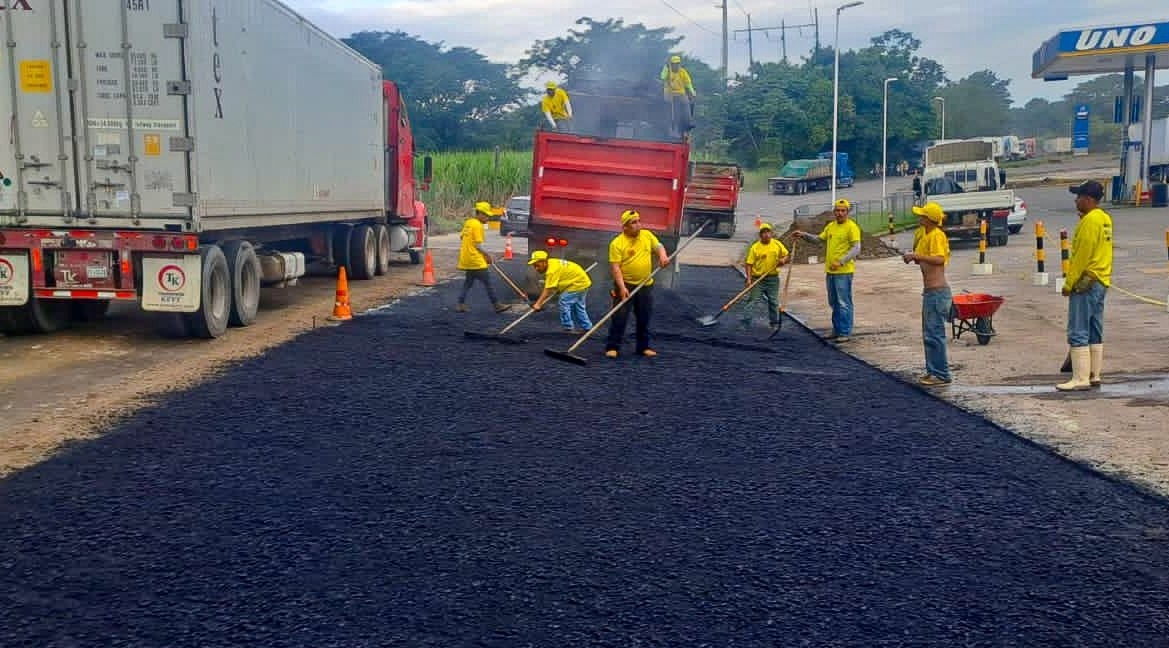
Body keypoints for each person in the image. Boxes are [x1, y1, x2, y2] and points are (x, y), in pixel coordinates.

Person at [1056, 180, 1113, 391]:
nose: (1075, 200)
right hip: (1101, 280)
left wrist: (1069, 284)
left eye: (1078, 196)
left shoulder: (1089, 222)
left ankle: (1080, 378)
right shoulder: (1105, 219)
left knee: (1078, 328)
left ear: (1088, 199)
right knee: (1094, 329)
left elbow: (1081, 257)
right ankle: (1094, 374)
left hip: (1086, 282)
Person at [791, 198, 863, 341]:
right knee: (834, 302)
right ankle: (837, 329)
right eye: (837, 210)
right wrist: (804, 235)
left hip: (843, 272)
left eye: (843, 211)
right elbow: (819, 239)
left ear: (848, 212)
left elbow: (856, 248)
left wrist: (841, 261)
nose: (840, 213)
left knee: (844, 302)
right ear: (834, 211)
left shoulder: (851, 227)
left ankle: (845, 332)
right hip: (830, 271)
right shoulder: (831, 226)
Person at [605, 209, 670, 358]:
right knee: (619, 317)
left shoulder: (647, 235)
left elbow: (658, 246)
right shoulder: (617, 243)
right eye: (634, 223)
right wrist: (622, 288)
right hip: (625, 284)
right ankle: (612, 347)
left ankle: (643, 347)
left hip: (645, 285)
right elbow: (615, 268)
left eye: (638, 221)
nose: (638, 225)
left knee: (644, 316)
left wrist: (663, 256)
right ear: (625, 227)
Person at [902, 202, 952, 386]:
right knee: (929, 334)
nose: (919, 218)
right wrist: (912, 256)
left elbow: (939, 259)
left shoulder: (937, 235)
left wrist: (917, 256)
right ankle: (933, 371)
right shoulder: (926, 235)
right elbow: (920, 260)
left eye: (922, 216)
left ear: (929, 219)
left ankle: (941, 374)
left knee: (935, 334)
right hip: (931, 292)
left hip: (938, 292)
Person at [456, 201, 512, 314]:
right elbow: (478, 245)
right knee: (488, 283)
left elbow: (462, 237)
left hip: (466, 259)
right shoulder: (478, 225)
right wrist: (487, 256)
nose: (487, 218)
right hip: (476, 260)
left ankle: (460, 304)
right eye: (486, 215)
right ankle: (497, 305)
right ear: (479, 213)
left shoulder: (468, 222)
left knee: (468, 282)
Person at [739, 222, 791, 331]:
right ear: (760, 235)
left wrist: (783, 260)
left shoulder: (777, 244)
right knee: (753, 301)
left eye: (768, 232)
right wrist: (749, 279)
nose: (766, 234)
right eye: (764, 232)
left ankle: (774, 323)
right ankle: (745, 323)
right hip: (758, 279)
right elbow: (749, 264)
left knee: (773, 301)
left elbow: (786, 255)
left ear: (771, 233)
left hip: (772, 279)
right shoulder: (755, 248)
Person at [528, 250, 594, 333]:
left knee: (564, 301)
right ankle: (587, 327)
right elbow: (559, 279)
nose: (536, 268)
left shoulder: (552, 270)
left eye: (537, 265)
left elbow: (548, 290)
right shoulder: (552, 262)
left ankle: (568, 327)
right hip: (582, 282)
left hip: (577, 284)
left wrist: (538, 304)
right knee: (578, 305)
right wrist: (558, 289)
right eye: (534, 266)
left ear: (544, 262)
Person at [660, 55, 696, 138]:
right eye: (674, 63)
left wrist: (692, 92)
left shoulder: (683, 72)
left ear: (679, 64)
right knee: (671, 110)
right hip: (669, 93)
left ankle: (688, 122)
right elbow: (662, 77)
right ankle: (672, 126)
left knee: (686, 102)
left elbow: (688, 83)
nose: (675, 65)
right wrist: (666, 67)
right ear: (671, 64)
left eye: (677, 64)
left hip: (680, 93)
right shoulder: (668, 71)